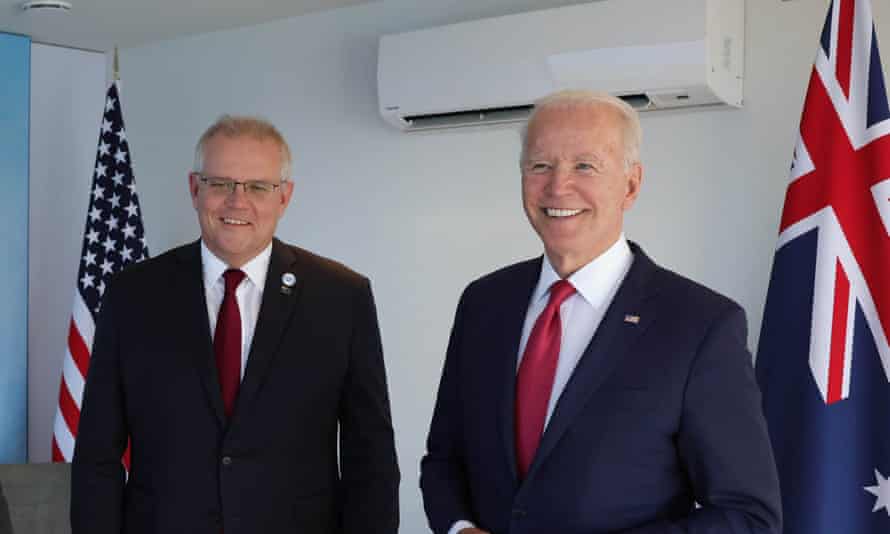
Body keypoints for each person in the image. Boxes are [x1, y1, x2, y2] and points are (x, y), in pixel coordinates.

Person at [420, 90, 781, 534]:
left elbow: (748, 516)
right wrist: (459, 529)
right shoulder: (483, 303)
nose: (557, 187)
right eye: (540, 166)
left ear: (631, 184)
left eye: (584, 166)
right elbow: (444, 458)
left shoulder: (700, 325)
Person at [71, 116, 399, 534]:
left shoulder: (342, 298)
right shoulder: (132, 295)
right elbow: (97, 455)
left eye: (258, 187)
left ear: (285, 197)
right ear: (195, 189)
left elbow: (370, 458)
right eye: (221, 184)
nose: (237, 202)